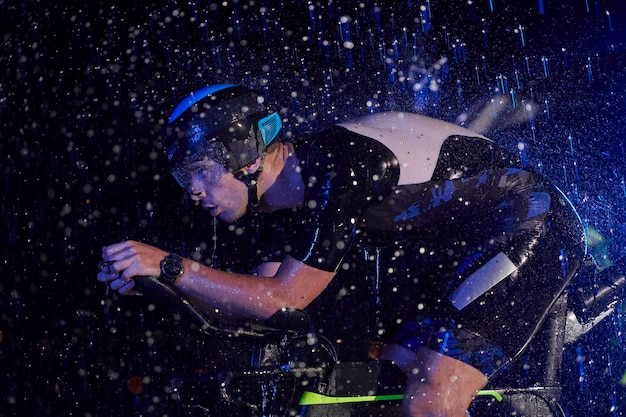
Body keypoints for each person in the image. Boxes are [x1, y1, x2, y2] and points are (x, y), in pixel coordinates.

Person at [97, 84, 586, 416]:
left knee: (430, 400)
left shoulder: (336, 166)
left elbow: (283, 298)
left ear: (243, 154)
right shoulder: (283, 202)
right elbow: (252, 307)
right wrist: (164, 285)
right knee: (388, 385)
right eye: (184, 178)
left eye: (200, 170)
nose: (194, 191)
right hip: (463, 247)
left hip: (533, 224)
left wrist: (169, 263)